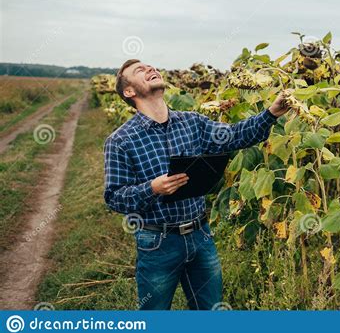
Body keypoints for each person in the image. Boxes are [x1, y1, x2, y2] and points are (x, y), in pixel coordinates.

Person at [103, 59, 290, 310]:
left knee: (210, 311)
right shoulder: (121, 140)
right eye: (140, 70)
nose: (150, 69)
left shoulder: (192, 122)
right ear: (129, 92)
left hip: (200, 235)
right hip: (158, 240)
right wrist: (152, 188)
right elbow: (115, 197)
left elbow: (234, 136)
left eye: (150, 66)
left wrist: (271, 114)